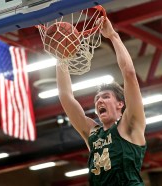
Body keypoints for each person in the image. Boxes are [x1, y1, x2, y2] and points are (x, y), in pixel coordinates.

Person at [56, 16, 147, 186]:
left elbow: (129, 74)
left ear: (120, 103)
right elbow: (65, 96)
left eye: (106, 97)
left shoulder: (130, 124)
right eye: (97, 99)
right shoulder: (92, 133)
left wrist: (113, 35)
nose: (99, 101)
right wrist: (61, 58)